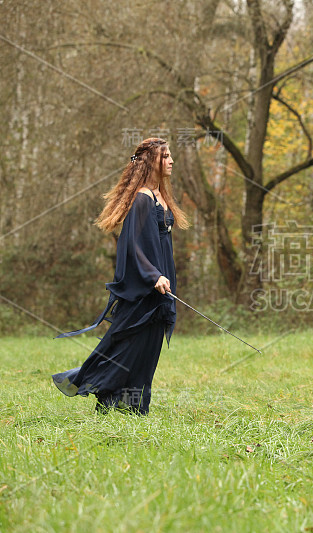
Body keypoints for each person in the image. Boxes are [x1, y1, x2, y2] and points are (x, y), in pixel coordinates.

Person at [52, 138, 189, 414]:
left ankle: (135, 408)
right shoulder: (141, 199)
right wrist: (154, 276)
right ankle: (100, 394)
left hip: (160, 290)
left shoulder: (160, 195)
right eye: (166, 156)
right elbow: (132, 246)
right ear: (152, 161)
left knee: (147, 350)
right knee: (127, 348)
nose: (172, 161)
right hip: (145, 289)